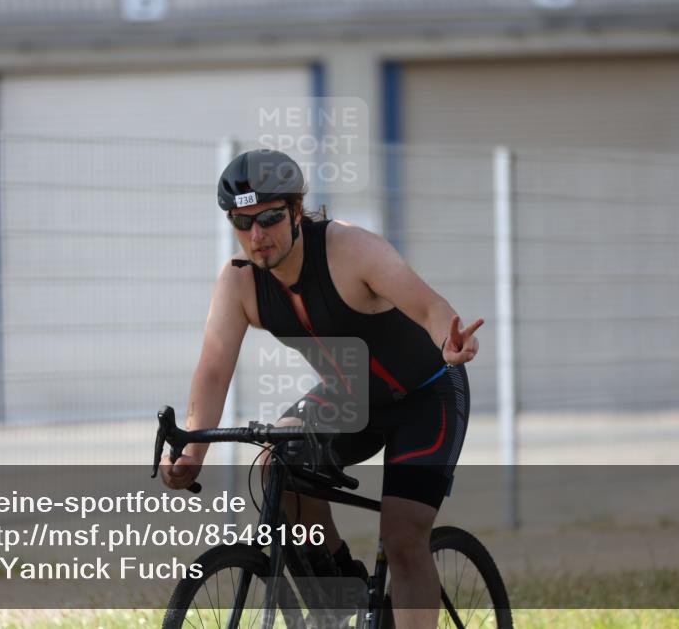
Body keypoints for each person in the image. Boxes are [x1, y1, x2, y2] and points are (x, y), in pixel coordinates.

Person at [160, 149, 482, 628]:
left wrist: (448, 339)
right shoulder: (239, 281)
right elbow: (213, 370)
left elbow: (429, 306)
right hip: (349, 395)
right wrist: (192, 450)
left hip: (427, 394)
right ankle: (339, 594)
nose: (256, 235)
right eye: (242, 222)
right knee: (277, 462)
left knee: (402, 537)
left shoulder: (350, 249)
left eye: (269, 218)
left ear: (295, 211)